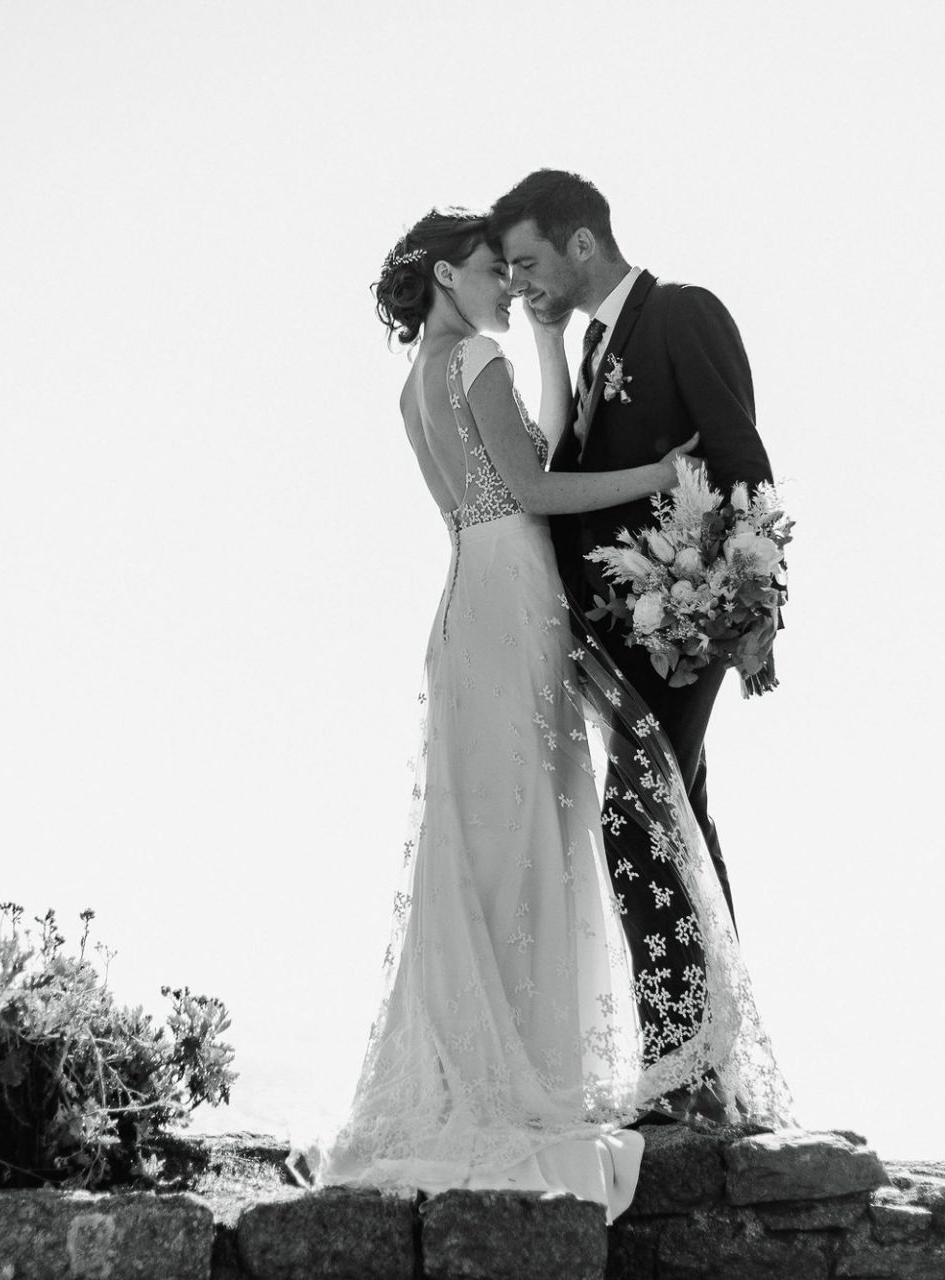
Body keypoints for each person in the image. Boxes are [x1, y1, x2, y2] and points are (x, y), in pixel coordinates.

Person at [314, 208, 787, 1222]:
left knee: (487, 847)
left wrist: (544, 342)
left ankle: (479, 1069)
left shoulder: (419, 380)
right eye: (494, 271)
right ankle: (531, 1073)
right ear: (449, 272)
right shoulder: (474, 355)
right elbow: (533, 483)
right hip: (511, 601)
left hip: (466, 597)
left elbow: (519, 458)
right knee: (530, 840)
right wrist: (663, 476)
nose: (507, 287)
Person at [489, 171, 776, 1120]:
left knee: (633, 821)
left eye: (528, 261)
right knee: (681, 824)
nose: (520, 280)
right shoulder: (586, 345)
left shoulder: (682, 315)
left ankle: (681, 1064)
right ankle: (719, 1071)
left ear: (581, 246)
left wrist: (758, 610)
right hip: (616, 646)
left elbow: (743, 461)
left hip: (689, 624)